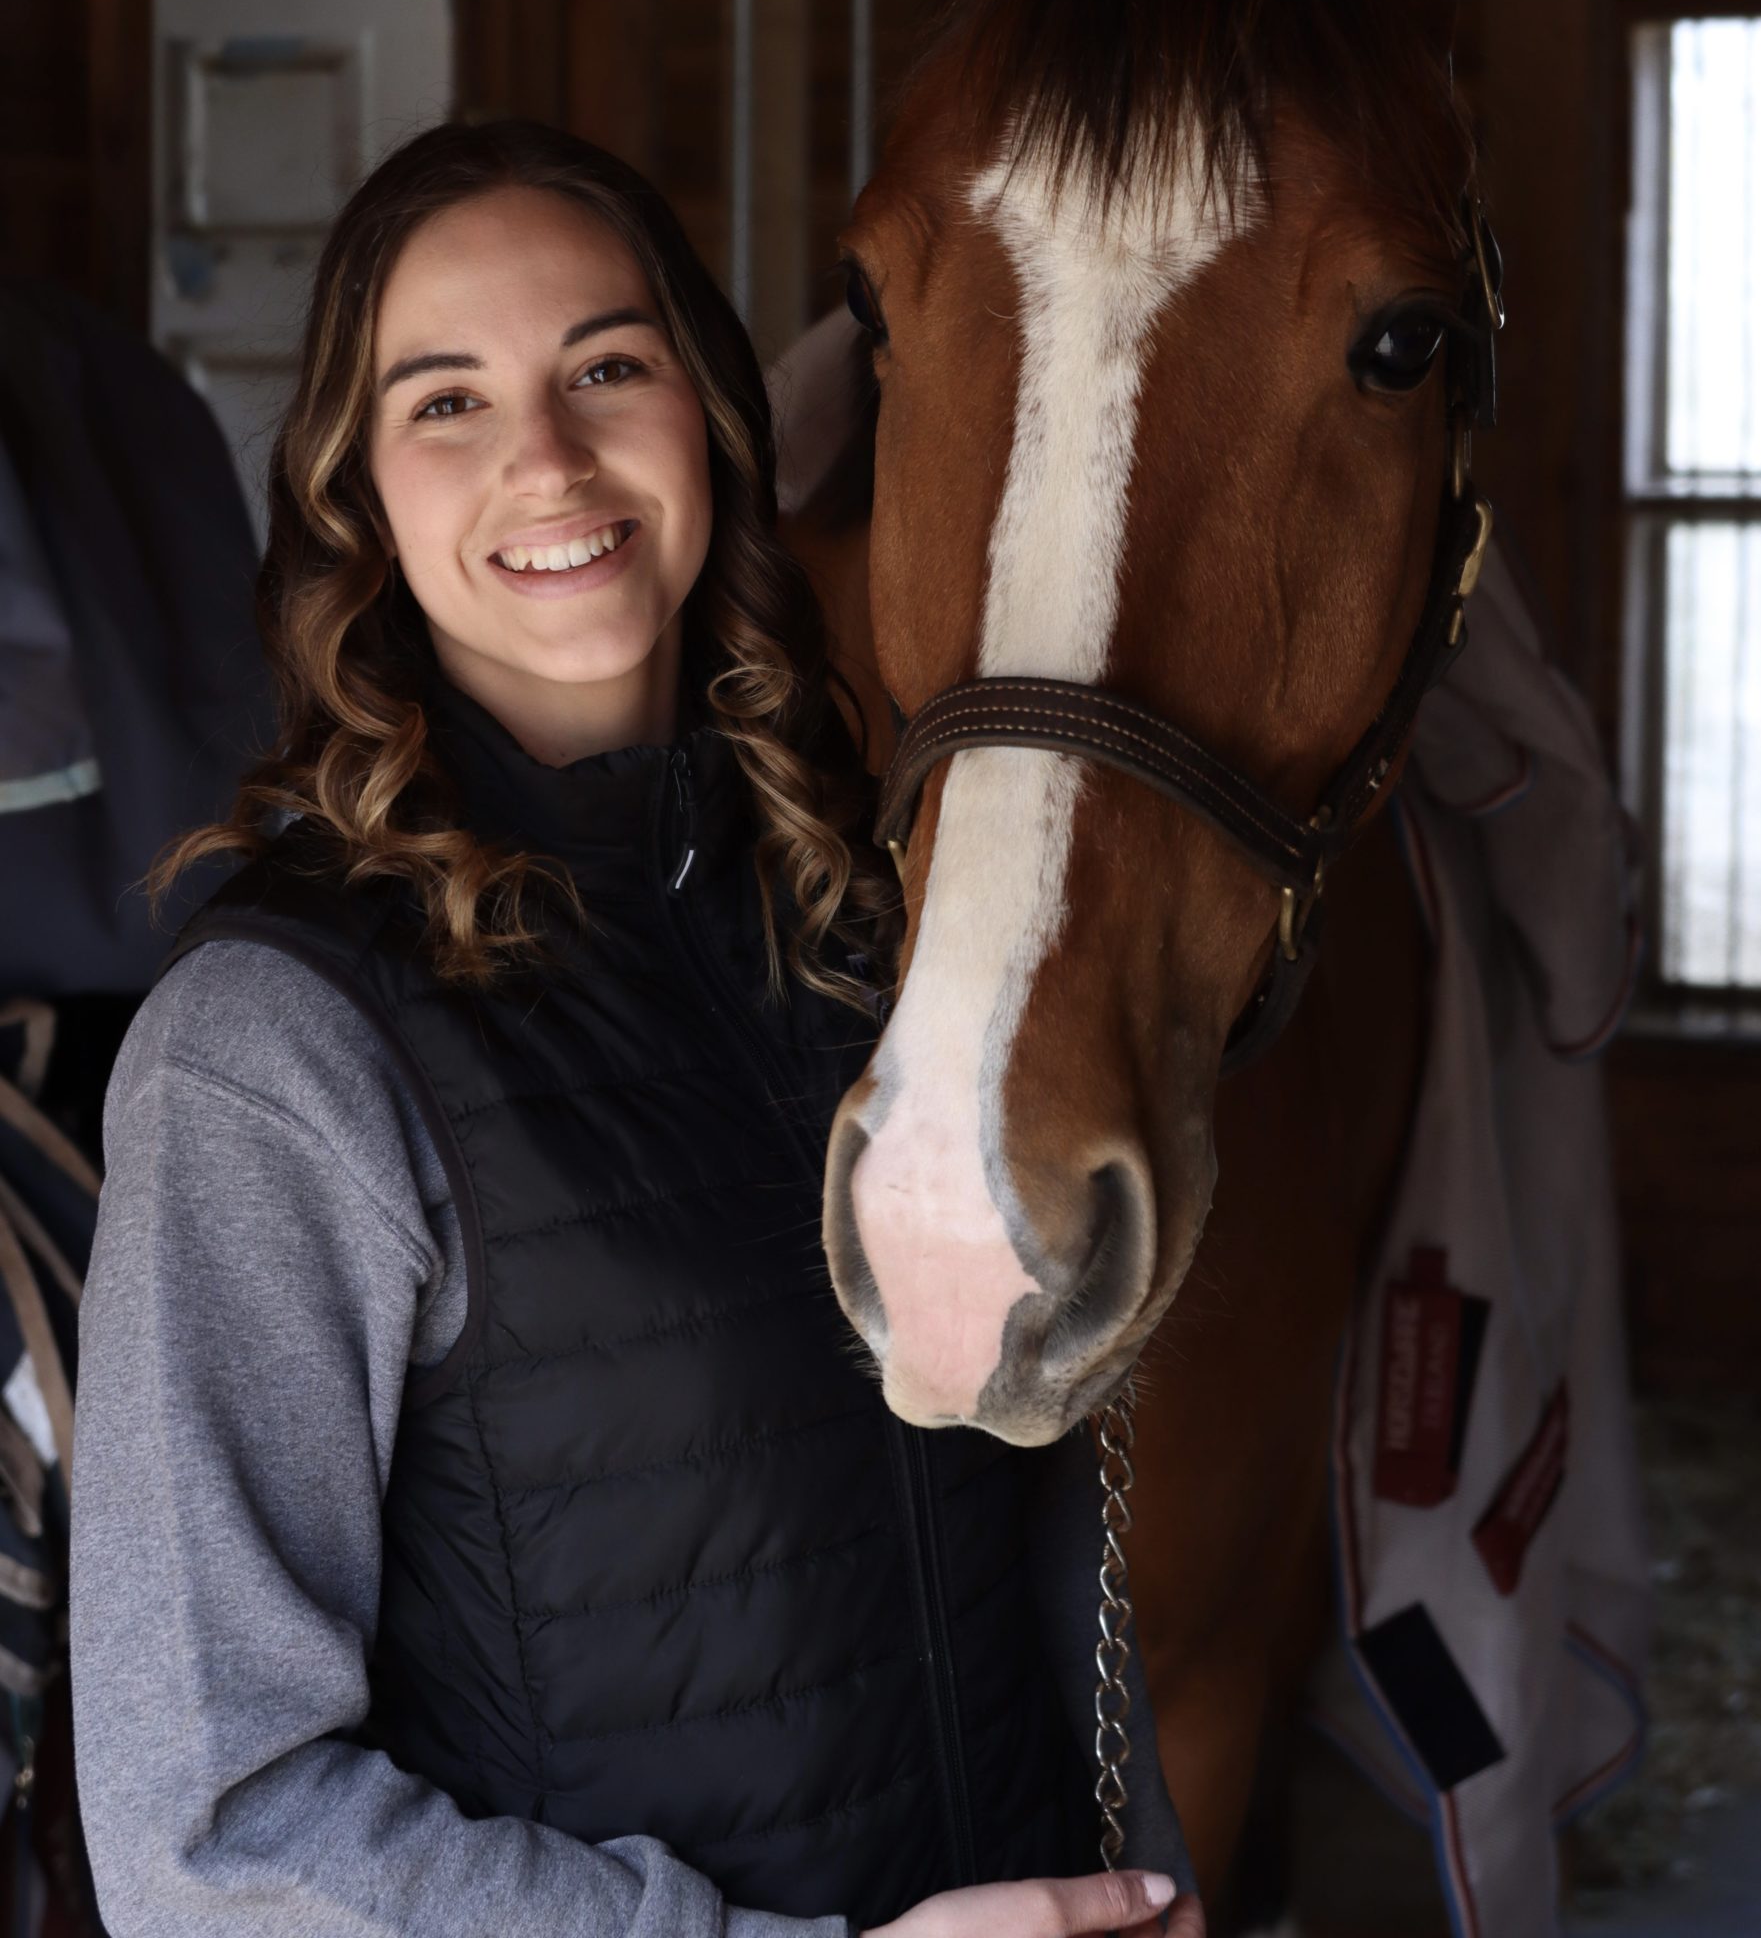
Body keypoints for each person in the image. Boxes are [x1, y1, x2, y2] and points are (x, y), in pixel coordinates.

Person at [68, 120, 1200, 1938]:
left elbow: (1045, 1541)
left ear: (710, 419)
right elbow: (206, 1837)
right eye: (444, 402)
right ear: (358, 492)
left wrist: (1138, 1867)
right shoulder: (273, 1054)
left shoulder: (874, 931)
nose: (545, 456)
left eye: (606, 365)